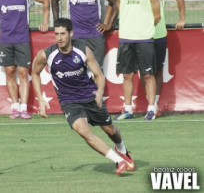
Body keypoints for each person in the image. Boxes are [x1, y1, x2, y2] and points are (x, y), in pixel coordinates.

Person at [32, 18, 134, 176]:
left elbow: (99, 75)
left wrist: (100, 91)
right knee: (82, 130)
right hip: (69, 101)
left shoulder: (83, 50)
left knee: (111, 130)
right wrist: (40, 100)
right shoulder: (46, 54)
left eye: (63, 34)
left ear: (71, 34)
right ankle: (118, 161)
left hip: (90, 96)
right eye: (56, 34)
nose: (59, 38)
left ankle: (122, 150)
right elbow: (34, 73)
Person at [114, 0, 161, 121]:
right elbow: (121, 11)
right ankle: (128, 109)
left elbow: (157, 17)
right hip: (126, 39)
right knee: (127, 75)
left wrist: (143, 29)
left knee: (148, 75)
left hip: (144, 40)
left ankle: (151, 109)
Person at [51, 0, 117, 69]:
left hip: (95, 35)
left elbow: (115, 1)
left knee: (97, 71)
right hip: (76, 36)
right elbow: (54, 0)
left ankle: (97, 87)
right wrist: (57, 22)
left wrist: (109, 24)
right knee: (76, 71)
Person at [139, 0, 185, 115]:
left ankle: (155, 104)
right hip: (140, 36)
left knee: (157, 70)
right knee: (144, 72)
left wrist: (182, 19)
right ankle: (149, 102)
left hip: (158, 35)